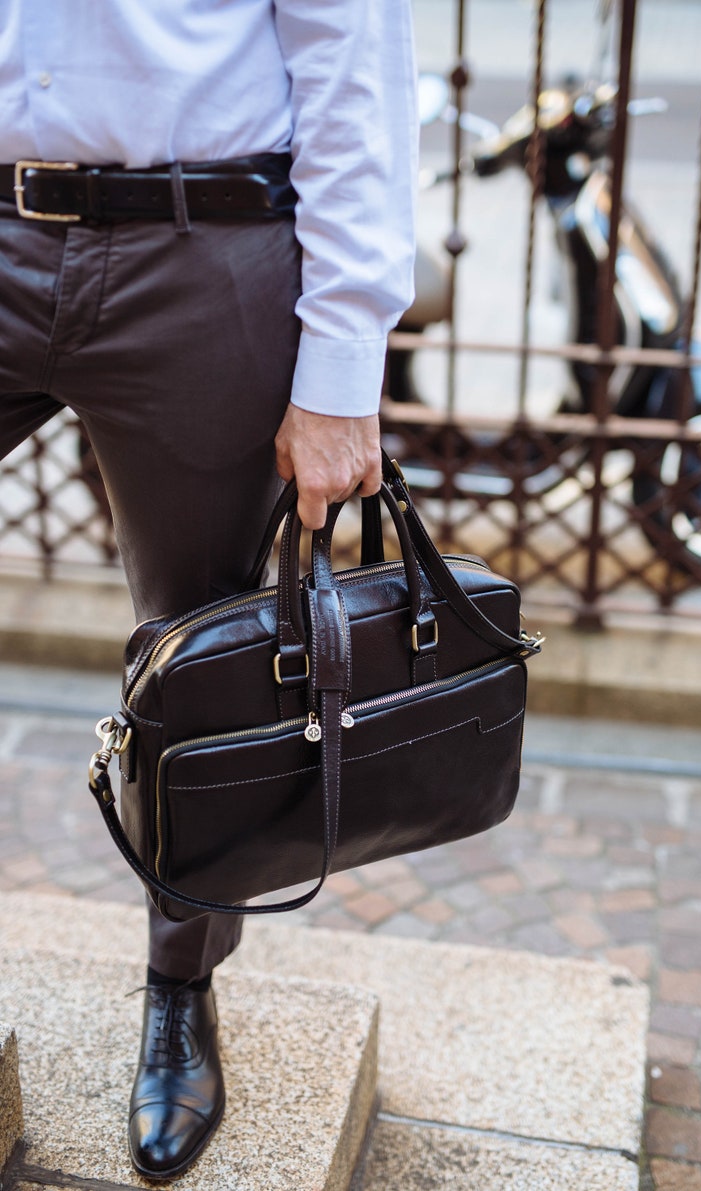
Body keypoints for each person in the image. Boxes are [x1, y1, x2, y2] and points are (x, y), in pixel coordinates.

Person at [0, 0, 417, 1180]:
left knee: (205, 656)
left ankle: (180, 986)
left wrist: (340, 369)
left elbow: (355, 68)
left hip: (200, 247)